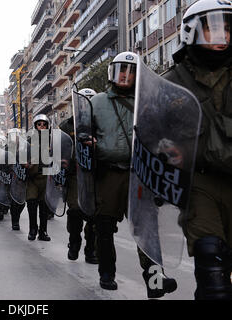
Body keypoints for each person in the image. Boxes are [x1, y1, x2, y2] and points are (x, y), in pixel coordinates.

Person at [89, 52, 177, 298]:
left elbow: (161, 132)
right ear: (112, 73)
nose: (125, 75)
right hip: (108, 173)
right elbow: (81, 129)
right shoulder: (96, 102)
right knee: (104, 227)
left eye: (130, 70)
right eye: (121, 70)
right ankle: (107, 273)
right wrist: (88, 139)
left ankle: (155, 280)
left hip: (140, 172)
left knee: (147, 228)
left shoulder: (148, 100)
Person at [163, 0, 232, 300]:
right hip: (199, 182)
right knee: (211, 262)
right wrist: (165, 151)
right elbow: (154, 131)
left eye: (228, 28)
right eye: (213, 27)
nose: (222, 35)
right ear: (192, 31)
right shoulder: (173, 82)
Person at [59, 88, 99, 264]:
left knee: (95, 214)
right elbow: (58, 148)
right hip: (75, 174)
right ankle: (74, 241)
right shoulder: (66, 126)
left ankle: (91, 249)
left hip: (97, 174)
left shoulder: (101, 123)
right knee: (75, 210)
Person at [26, 115, 52, 241]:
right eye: (39, 124)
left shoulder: (52, 141)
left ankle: (43, 232)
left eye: (44, 124)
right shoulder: (29, 140)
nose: (42, 126)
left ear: (48, 126)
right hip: (32, 177)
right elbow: (22, 155)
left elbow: (57, 159)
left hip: (46, 177)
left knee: (44, 206)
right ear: (35, 126)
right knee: (31, 203)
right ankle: (32, 229)